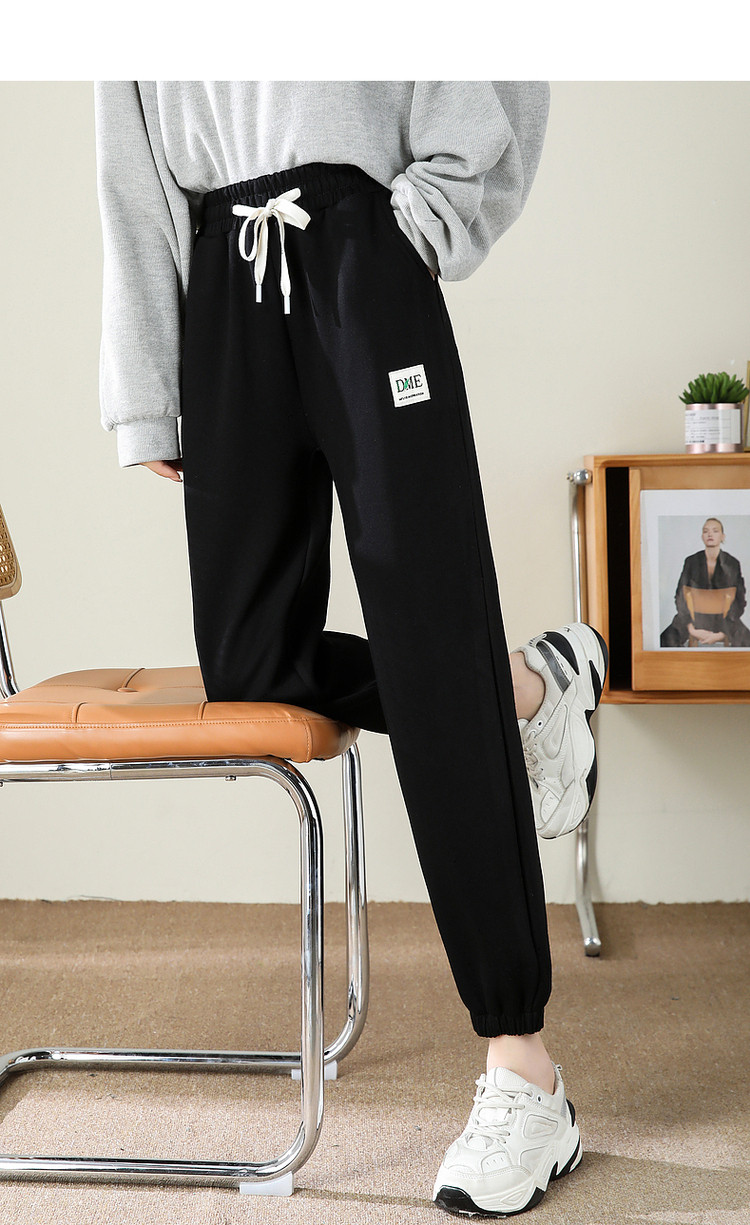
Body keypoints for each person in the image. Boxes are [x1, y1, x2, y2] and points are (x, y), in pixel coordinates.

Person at [93, 81, 609, 1218]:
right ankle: (530, 688)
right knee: (251, 668)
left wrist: (408, 228)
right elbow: (128, 173)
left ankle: (524, 1069)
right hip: (222, 280)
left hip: (358, 252)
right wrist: (152, 386)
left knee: (428, 630)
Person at [660, 517, 750, 648]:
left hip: (724, 620)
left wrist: (723, 633)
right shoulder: (691, 561)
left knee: (747, 643)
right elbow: (680, 596)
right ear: (702, 536)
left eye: (715, 531)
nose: (710, 534)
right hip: (693, 619)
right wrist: (691, 629)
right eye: (706, 531)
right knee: (665, 640)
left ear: (722, 536)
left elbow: (740, 600)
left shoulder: (732, 563)